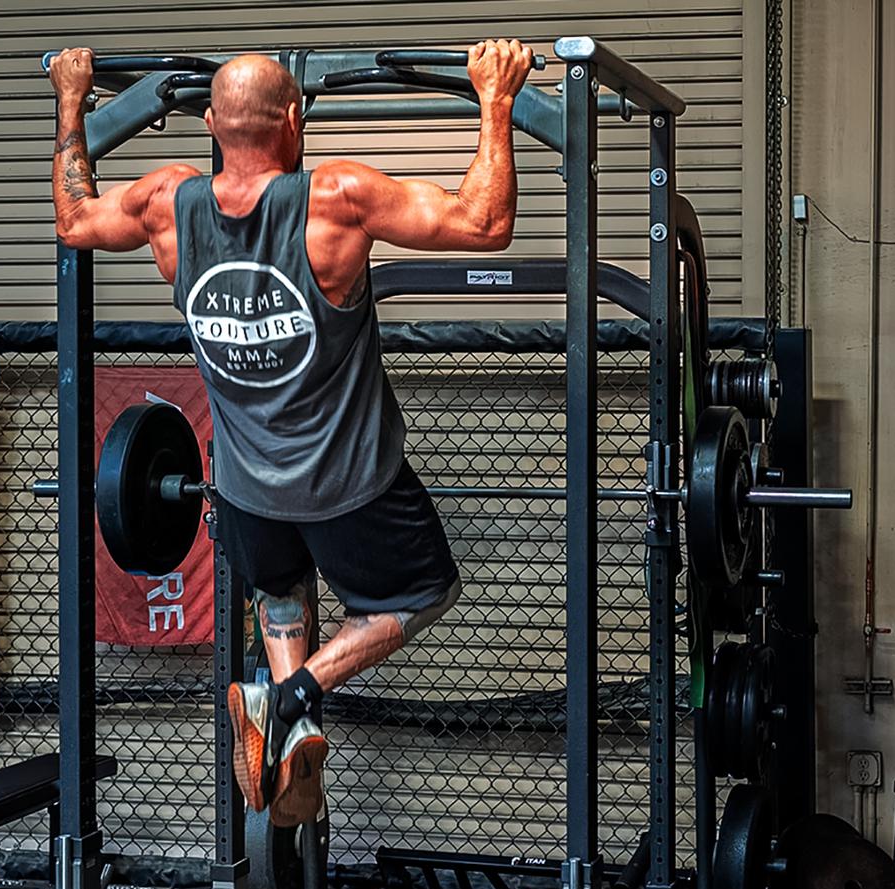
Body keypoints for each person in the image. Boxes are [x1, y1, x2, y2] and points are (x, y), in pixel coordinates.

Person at [48, 40, 534, 825]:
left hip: (246, 490)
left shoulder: (168, 203)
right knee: (426, 591)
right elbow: (486, 223)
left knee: (278, 586)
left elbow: (74, 220)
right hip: (350, 487)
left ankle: (292, 728)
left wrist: (72, 98)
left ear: (211, 125)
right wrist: (496, 98)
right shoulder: (335, 199)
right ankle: (293, 695)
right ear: (296, 120)